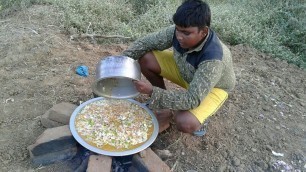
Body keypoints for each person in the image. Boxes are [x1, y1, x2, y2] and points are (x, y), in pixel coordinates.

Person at [122, 0, 235, 136]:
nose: (179, 37)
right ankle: (164, 106)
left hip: (213, 87)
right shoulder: (179, 31)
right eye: (177, 30)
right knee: (146, 58)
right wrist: (120, 62)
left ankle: (199, 120)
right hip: (186, 71)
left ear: (204, 32)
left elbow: (192, 99)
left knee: (185, 121)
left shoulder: (214, 58)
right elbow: (145, 43)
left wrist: (153, 91)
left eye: (186, 33)